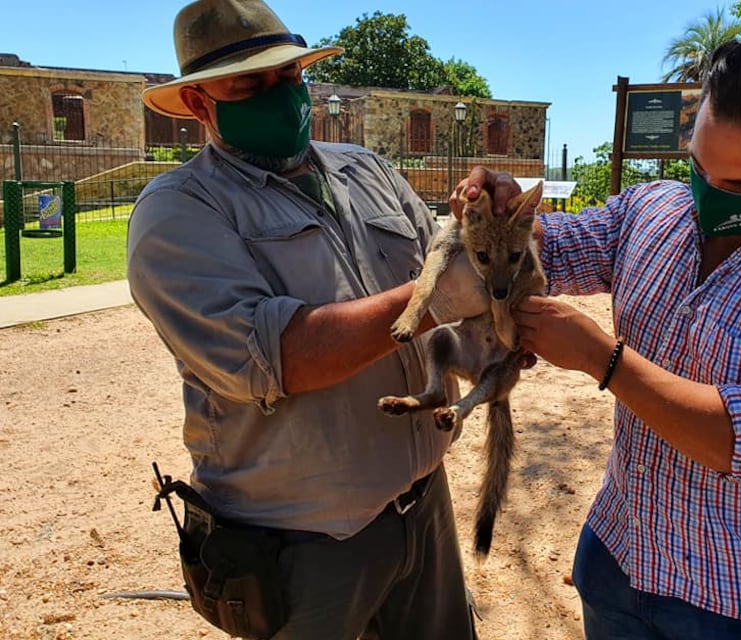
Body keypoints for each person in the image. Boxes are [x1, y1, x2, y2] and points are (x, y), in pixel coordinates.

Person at [453, 34, 741, 640]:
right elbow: (556, 249)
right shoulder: (652, 210)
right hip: (617, 559)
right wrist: (503, 215)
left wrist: (604, 360)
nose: (706, 196)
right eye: (699, 166)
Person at [127, 1, 491, 638]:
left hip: (423, 502)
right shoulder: (178, 215)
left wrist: (486, 295)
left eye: (290, 77)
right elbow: (276, 357)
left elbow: (444, 272)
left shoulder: (365, 170)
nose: (282, 96)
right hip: (300, 544)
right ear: (198, 103)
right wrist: (434, 298)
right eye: (251, 84)